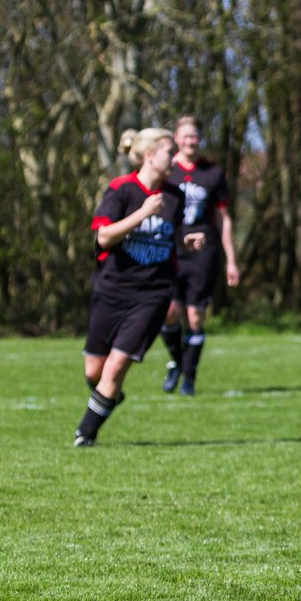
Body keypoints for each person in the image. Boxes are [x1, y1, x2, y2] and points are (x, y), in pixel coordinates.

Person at [75, 128, 206, 446]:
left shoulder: (174, 196)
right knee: (95, 372)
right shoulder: (121, 191)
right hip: (112, 290)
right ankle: (107, 399)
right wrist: (143, 213)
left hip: (153, 294)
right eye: (167, 151)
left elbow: (170, 239)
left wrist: (188, 243)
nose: (174, 157)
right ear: (149, 155)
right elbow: (103, 237)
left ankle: (85, 434)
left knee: (117, 366)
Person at [159, 115, 240, 396]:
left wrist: (231, 260)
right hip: (171, 250)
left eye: (194, 136)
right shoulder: (167, 171)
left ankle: (189, 379)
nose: (190, 141)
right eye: (185, 136)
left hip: (203, 254)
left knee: (195, 317)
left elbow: (224, 219)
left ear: (199, 139)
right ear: (176, 138)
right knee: (169, 311)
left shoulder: (212, 173)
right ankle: (178, 362)